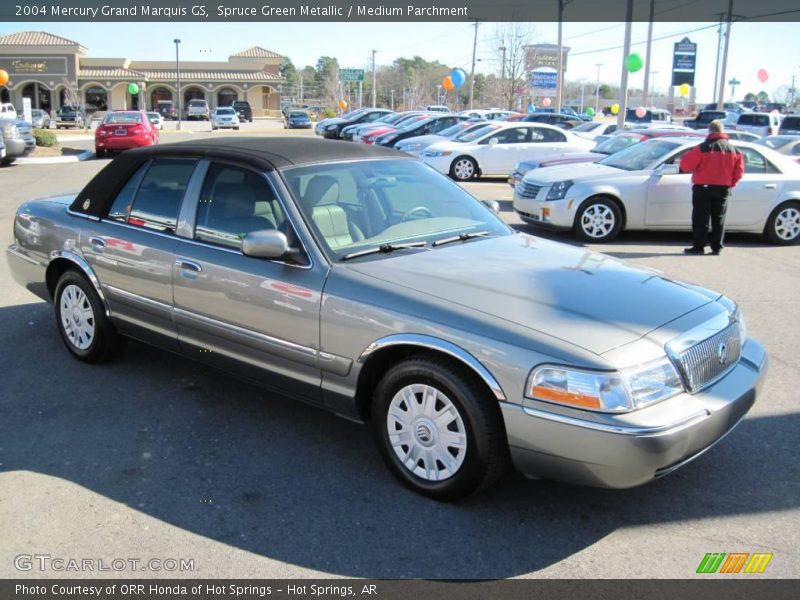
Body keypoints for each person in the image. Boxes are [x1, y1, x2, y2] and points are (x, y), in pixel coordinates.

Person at [679, 120, 744, 255]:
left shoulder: (702, 147)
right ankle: (717, 247)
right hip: (723, 188)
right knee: (719, 218)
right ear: (722, 132)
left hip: (703, 187)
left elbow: (685, 165)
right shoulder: (734, 150)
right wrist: (731, 183)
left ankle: (699, 246)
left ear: (709, 131)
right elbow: (739, 171)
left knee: (700, 218)